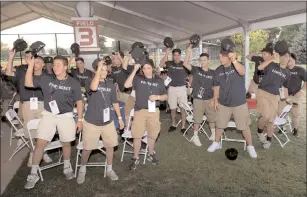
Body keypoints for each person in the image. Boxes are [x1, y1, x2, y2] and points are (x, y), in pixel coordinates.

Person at [24, 55, 83, 189]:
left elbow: (79, 101)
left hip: (66, 116)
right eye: (54, 64)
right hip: (49, 114)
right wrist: (30, 66)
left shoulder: (73, 82)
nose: (54, 67)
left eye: (58, 65)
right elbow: (28, 84)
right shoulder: (46, 79)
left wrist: (79, 120)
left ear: (65, 67)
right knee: (40, 143)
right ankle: (33, 174)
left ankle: (67, 167)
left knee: (66, 143)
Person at [76, 59, 124, 184]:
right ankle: (82, 168)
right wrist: (98, 69)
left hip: (107, 122)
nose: (104, 71)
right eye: (101, 69)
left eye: (105, 69)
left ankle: (109, 169)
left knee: (110, 146)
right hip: (92, 122)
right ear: (96, 70)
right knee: (87, 148)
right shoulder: (89, 81)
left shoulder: (111, 84)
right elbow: (93, 87)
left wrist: (119, 118)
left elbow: (115, 102)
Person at [207, 45, 257, 158]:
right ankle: (216, 143)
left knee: (244, 126)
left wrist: (234, 60)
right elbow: (216, 86)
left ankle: (250, 146)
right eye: (219, 57)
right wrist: (215, 100)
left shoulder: (237, 66)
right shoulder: (218, 70)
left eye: (222, 57)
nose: (220, 59)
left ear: (229, 57)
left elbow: (243, 72)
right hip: (223, 103)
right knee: (219, 125)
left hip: (239, 103)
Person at [5, 49, 52, 165]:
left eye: (35, 60)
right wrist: (11, 57)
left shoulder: (46, 76)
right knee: (29, 131)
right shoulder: (22, 70)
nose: (31, 61)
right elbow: (8, 74)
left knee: (42, 130)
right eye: (27, 57)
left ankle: (42, 151)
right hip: (27, 104)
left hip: (42, 104)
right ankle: (33, 152)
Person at [124, 60, 167, 170]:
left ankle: (151, 153)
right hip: (140, 111)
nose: (146, 70)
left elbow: (165, 96)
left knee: (152, 135)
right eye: (144, 68)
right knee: (137, 136)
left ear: (152, 68)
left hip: (154, 112)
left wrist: (157, 97)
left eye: (148, 68)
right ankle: (135, 157)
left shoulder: (159, 80)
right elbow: (126, 85)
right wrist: (134, 69)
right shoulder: (138, 78)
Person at [256, 41, 291, 149]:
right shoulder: (271, 64)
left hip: (275, 97)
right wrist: (271, 58)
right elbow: (259, 68)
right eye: (282, 56)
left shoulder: (288, 73)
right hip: (263, 93)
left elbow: (284, 87)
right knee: (265, 115)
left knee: (271, 120)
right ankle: (259, 131)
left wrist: (285, 98)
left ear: (289, 58)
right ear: (279, 56)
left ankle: (269, 139)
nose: (284, 58)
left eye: (286, 56)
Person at [183, 44, 216, 146]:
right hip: (198, 99)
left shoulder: (213, 73)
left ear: (208, 61)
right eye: (201, 60)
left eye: (204, 60)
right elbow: (185, 63)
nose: (202, 62)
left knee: (211, 118)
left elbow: (215, 87)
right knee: (197, 119)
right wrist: (188, 51)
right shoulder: (196, 70)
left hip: (209, 99)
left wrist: (214, 99)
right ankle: (195, 136)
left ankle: (214, 134)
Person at [159, 48, 188, 133]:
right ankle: (173, 125)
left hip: (182, 88)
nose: (176, 57)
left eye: (178, 55)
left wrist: (189, 85)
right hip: (172, 88)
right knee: (173, 108)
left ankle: (183, 127)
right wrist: (166, 53)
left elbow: (191, 74)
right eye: (175, 55)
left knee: (183, 108)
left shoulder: (184, 64)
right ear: (173, 56)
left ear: (180, 55)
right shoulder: (169, 63)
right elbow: (160, 65)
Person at [278, 53, 306, 136]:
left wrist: (302, 91)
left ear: (294, 60)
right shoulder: (283, 69)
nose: (288, 61)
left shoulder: (301, 70)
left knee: (295, 114)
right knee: (281, 112)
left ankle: (295, 129)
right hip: (283, 95)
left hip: (295, 96)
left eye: (290, 59)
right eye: (287, 59)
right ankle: (283, 128)